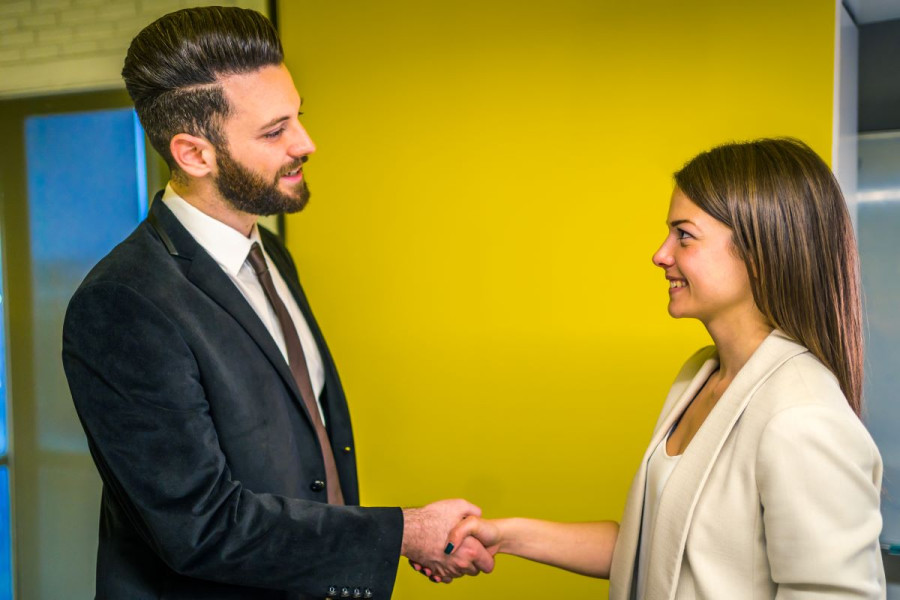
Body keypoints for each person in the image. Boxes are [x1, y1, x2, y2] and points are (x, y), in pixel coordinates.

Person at [61, 7, 492, 599]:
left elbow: (307, 458)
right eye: (274, 131)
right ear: (193, 155)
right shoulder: (122, 303)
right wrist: (400, 533)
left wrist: (379, 544)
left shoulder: (271, 256)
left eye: (299, 118)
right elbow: (201, 526)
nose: (306, 143)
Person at [435, 138, 886, 598]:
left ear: (759, 251)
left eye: (684, 235)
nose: (661, 254)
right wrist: (506, 536)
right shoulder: (700, 376)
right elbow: (652, 551)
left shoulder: (802, 416)